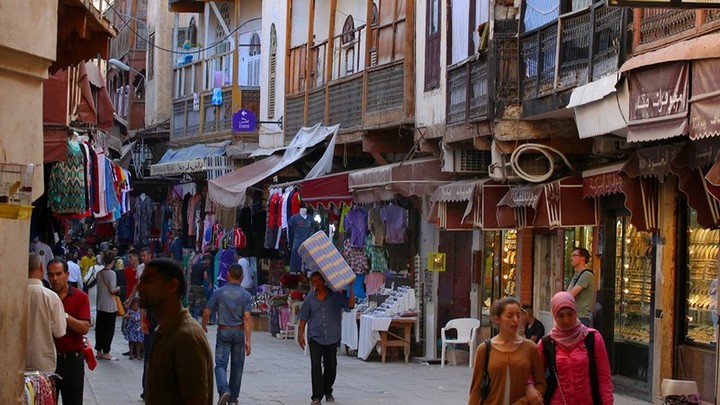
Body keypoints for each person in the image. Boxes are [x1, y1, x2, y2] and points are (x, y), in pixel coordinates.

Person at [138, 258, 213, 404]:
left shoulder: (186, 337)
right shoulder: (166, 331)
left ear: (172, 286)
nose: (140, 287)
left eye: (147, 281)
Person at [536, 292, 614, 404]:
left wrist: (608, 402)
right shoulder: (546, 343)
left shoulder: (592, 338)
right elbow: (533, 376)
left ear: (576, 313)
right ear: (554, 316)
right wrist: (531, 389)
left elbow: (604, 379)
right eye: (561, 316)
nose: (566, 320)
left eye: (570, 314)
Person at [468, 297, 546, 405]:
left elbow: (541, 385)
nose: (515, 320)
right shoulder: (484, 349)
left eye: (518, 316)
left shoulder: (530, 348)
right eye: (510, 316)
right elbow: (475, 390)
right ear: (497, 319)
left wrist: (523, 401)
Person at [298, 272, 355, 405]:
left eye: (318, 280)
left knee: (331, 366)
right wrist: (300, 335)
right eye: (314, 281)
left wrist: (351, 287)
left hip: (332, 336)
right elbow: (303, 318)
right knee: (315, 366)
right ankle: (316, 396)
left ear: (324, 281)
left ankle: (327, 390)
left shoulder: (335, 296)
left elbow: (351, 304)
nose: (316, 283)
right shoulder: (309, 299)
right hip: (315, 337)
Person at [202, 263, 253, 405]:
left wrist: (203, 326)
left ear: (227, 275)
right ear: (242, 277)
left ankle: (224, 389)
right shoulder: (246, 295)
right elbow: (247, 317)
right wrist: (248, 340)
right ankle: (233, 398)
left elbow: (207, 312)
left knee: (220, 365)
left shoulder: (219, 292)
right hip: (238, 331)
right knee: (237, 366)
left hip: (223, 330)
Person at [48, 257, 91, 405]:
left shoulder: (80, 297)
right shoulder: (45, 297)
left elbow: (84, 328)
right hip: (49, 361)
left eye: (59, 274)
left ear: (67, 274)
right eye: (51, 274)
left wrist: (64, 315)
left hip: (72, 361)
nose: (55, 278)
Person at [26, 253, 67, 372]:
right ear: (41, 268)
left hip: (16, 362)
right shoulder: (51, 297)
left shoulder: (12, 295)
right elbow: (59, 332)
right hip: (43, 364)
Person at [95, 253, 120, 361]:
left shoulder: (99, 273)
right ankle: (106, 351)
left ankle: (99, 351)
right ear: (113, 262)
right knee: (109, 329)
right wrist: (119, 288)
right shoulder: (112, 274)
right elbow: (112, 290)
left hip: (100, 304)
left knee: (100, 329)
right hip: (109, 306)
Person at [568, 247, 595, 326]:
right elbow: (568, 293)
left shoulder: (587, 274)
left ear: (582, 258)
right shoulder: (577, 274)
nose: (571, 258)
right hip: (573, 315)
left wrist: (570, 295)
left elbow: (570, 295)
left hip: (581, 317)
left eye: (574, 255)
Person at [190, 255, 212, 320]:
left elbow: (190, 273)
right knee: (204, 304)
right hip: (199, 287)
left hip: (192, 286)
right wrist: (210, 283)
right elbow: (205, 277)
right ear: (207, 260)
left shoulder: (194, 265)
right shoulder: (205, 267)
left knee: (191, 304)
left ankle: (191, 319)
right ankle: (208, 319)